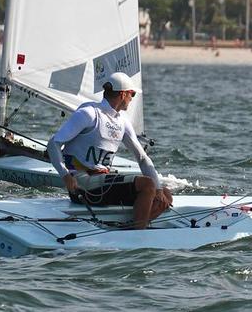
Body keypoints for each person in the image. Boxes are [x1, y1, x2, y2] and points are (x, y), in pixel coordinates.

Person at [47, 72, 172, 228]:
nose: (132, 98)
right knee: (147, 184)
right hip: (81, 184)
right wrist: (65, 175)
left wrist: (158, 188)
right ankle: (138, 234)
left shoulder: (123, 122)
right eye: (131, 94)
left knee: (165, 194)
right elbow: (53, 144)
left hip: (101, 184)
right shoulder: (89, 113)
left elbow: (142, 158)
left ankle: (131, 227)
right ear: (123, 94)